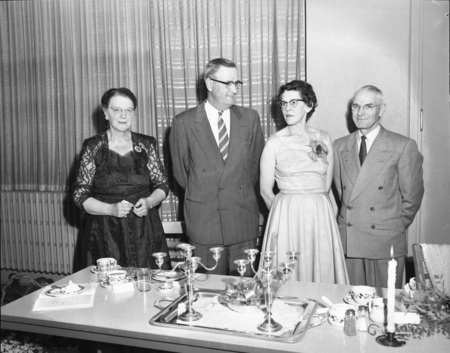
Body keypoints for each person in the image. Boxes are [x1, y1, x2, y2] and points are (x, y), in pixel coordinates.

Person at [170, 58, 265, 275]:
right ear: (209, 83)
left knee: (245, 295)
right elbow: (181, 174)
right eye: (227, 83)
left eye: (237, 83)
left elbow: (254, 168)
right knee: (207, 296)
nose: (234, 90)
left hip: (242, 220)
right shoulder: (183, 122)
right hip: (205, 222)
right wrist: (208, 189)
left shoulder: (250, 119)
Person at [333, 85, 424, 289]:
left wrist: (391, 225)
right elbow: (343, 194)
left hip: (385, 240)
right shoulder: (339, 146)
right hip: (350, 240)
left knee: (386, 309)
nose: (360, 112)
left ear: (381, 110)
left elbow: (412, 198)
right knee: (352, 304)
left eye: (368, 106)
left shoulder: (402, 145)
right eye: (355, 106)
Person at [259, 80, 349, 284]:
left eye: (293, 102)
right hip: (286, 214)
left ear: (308, 105)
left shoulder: (324, 138)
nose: (287, 108)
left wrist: (315, 208)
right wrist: (284, 219)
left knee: (322, 271)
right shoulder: (274, 143)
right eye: (283, 103)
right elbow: (265, 191)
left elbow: (326, 184)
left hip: (319, 214)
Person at [73, 87, 171, 270]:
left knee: (150, 288)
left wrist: (150, 201)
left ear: (134, 112)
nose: (123, 115)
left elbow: (162, 184)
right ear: (105, 112)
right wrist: (110, 209)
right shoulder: (93, 146)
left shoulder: (146, 144)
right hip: (104, 232)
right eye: (116, 109)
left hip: (145, 231)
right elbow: (80, 196)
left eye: (129, 110)